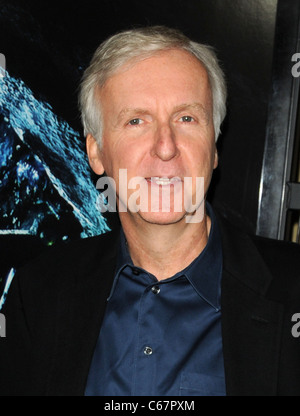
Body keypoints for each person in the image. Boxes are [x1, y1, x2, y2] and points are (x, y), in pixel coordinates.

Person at [1, 25, 300, 396]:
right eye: (136, 121)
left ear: (215, 145)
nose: (165, 147)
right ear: (96, 152)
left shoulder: (293, 293)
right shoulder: (39, 294)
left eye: (186, 118)